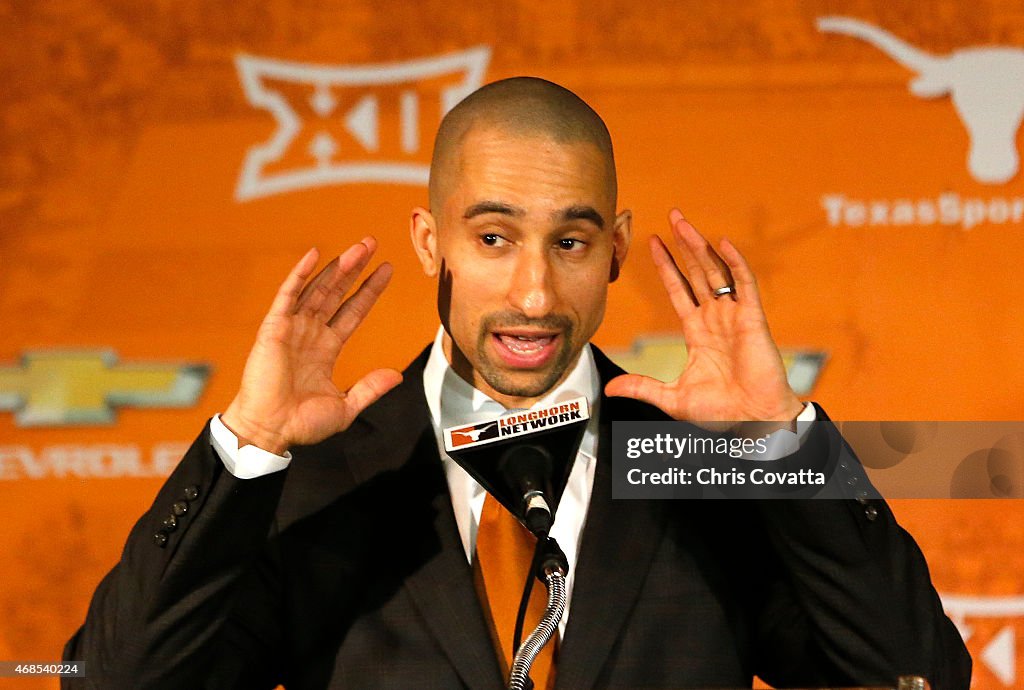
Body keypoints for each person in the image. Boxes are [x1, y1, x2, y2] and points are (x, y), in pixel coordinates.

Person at [64, 77, 970, 689]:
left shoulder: (709, 469)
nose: (534, 293)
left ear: (615, 249)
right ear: (431, 242)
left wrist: (782, 443)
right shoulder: (318, 474)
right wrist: (246, 445)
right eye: (493, 238)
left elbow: (911, 672)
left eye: (570, 243)